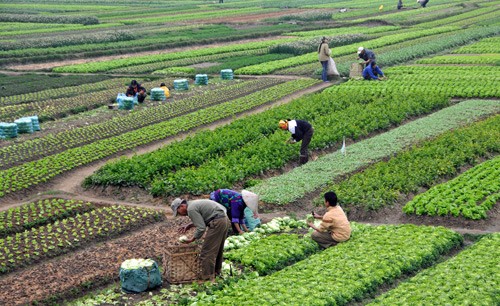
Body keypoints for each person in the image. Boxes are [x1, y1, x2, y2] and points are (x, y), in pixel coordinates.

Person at [172, 198, 230, 281]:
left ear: (181, 206)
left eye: (178, 212)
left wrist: (192, 239)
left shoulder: (191, 209)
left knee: (206, 252)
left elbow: (201, 228)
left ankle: (208, 278)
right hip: (224, 219)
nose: (180, 214)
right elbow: (204, 218)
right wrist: (190, 225)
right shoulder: (193, 204)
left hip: (217, 222)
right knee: (217, 250)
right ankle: (217, 272)